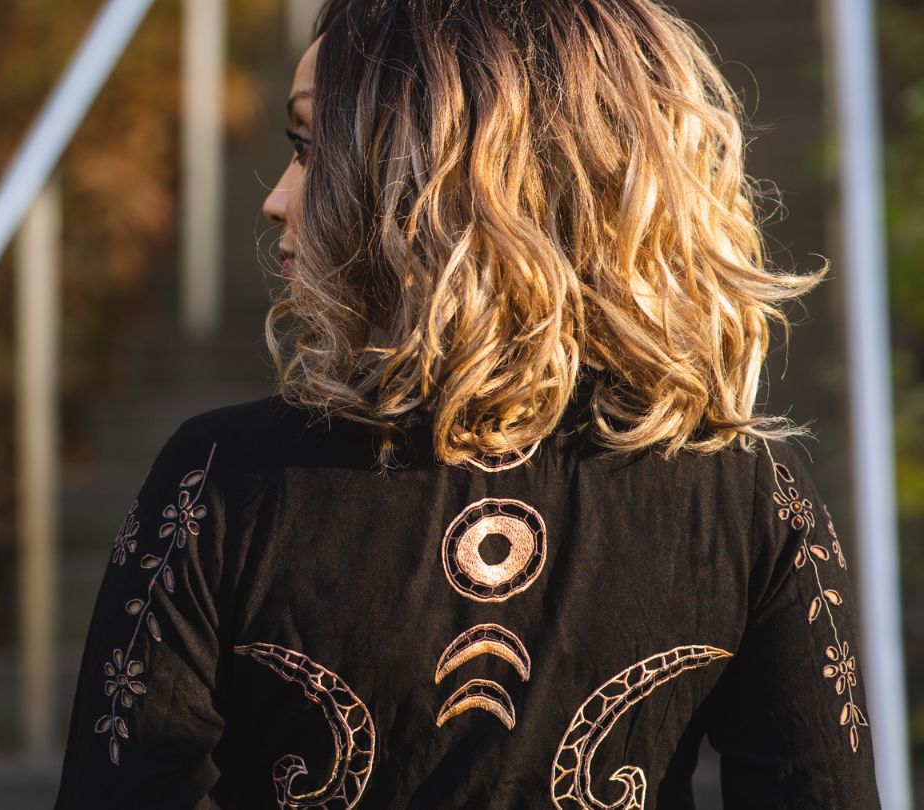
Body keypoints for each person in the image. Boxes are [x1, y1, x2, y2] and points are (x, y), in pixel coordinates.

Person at [53, 0, 882, 807]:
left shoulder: (219, 482)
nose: (275, 197)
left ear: (423, 182)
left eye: (309, 149)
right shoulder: (746, 494)